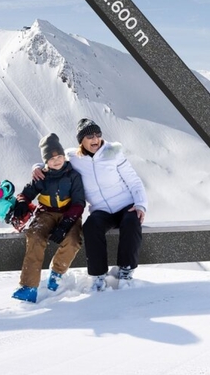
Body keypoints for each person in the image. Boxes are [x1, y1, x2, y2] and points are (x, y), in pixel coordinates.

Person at [34, 118, 147, 291]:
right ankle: (98, 276)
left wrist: (140, 204)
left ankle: (126, 271)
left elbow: (134, 180)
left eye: (97, 135)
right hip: (101, 209)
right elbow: (53, 160)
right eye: (90, 136)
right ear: (81, 141)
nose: (95, 139)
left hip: (125, 205)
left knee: (132, 222)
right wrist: (36, 167)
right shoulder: (73, 156)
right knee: (90, 226)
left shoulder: (113, 152)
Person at [11, 133, 85, 302]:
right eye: (51, 159)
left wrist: (66, 224)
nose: (57, 161)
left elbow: (79, 202)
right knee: (35, 237)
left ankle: (57, 272)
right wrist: (22, 202)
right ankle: (29, 287)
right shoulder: (41, 176)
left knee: (73, 240)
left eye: (59, 156)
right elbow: (26, 193)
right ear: (46, 162)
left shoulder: (73, 175)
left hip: (70, 213)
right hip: (46, 213)